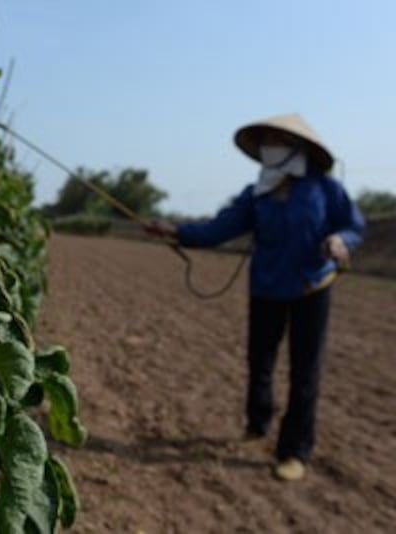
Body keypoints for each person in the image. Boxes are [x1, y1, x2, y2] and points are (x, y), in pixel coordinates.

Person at [146, 114, 365, 481]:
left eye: (276, 140)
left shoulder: (326, 190)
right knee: (259, 361)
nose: (268, 147)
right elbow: (219, 228)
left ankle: (295, 450)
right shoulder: (256, 194)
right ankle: (257, 424)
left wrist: (341, 241)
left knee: (305, 372)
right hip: (266, 287)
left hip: (312, 288)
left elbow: (353, 226)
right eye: (265, 140)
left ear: (297, 148)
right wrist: (176, 231)